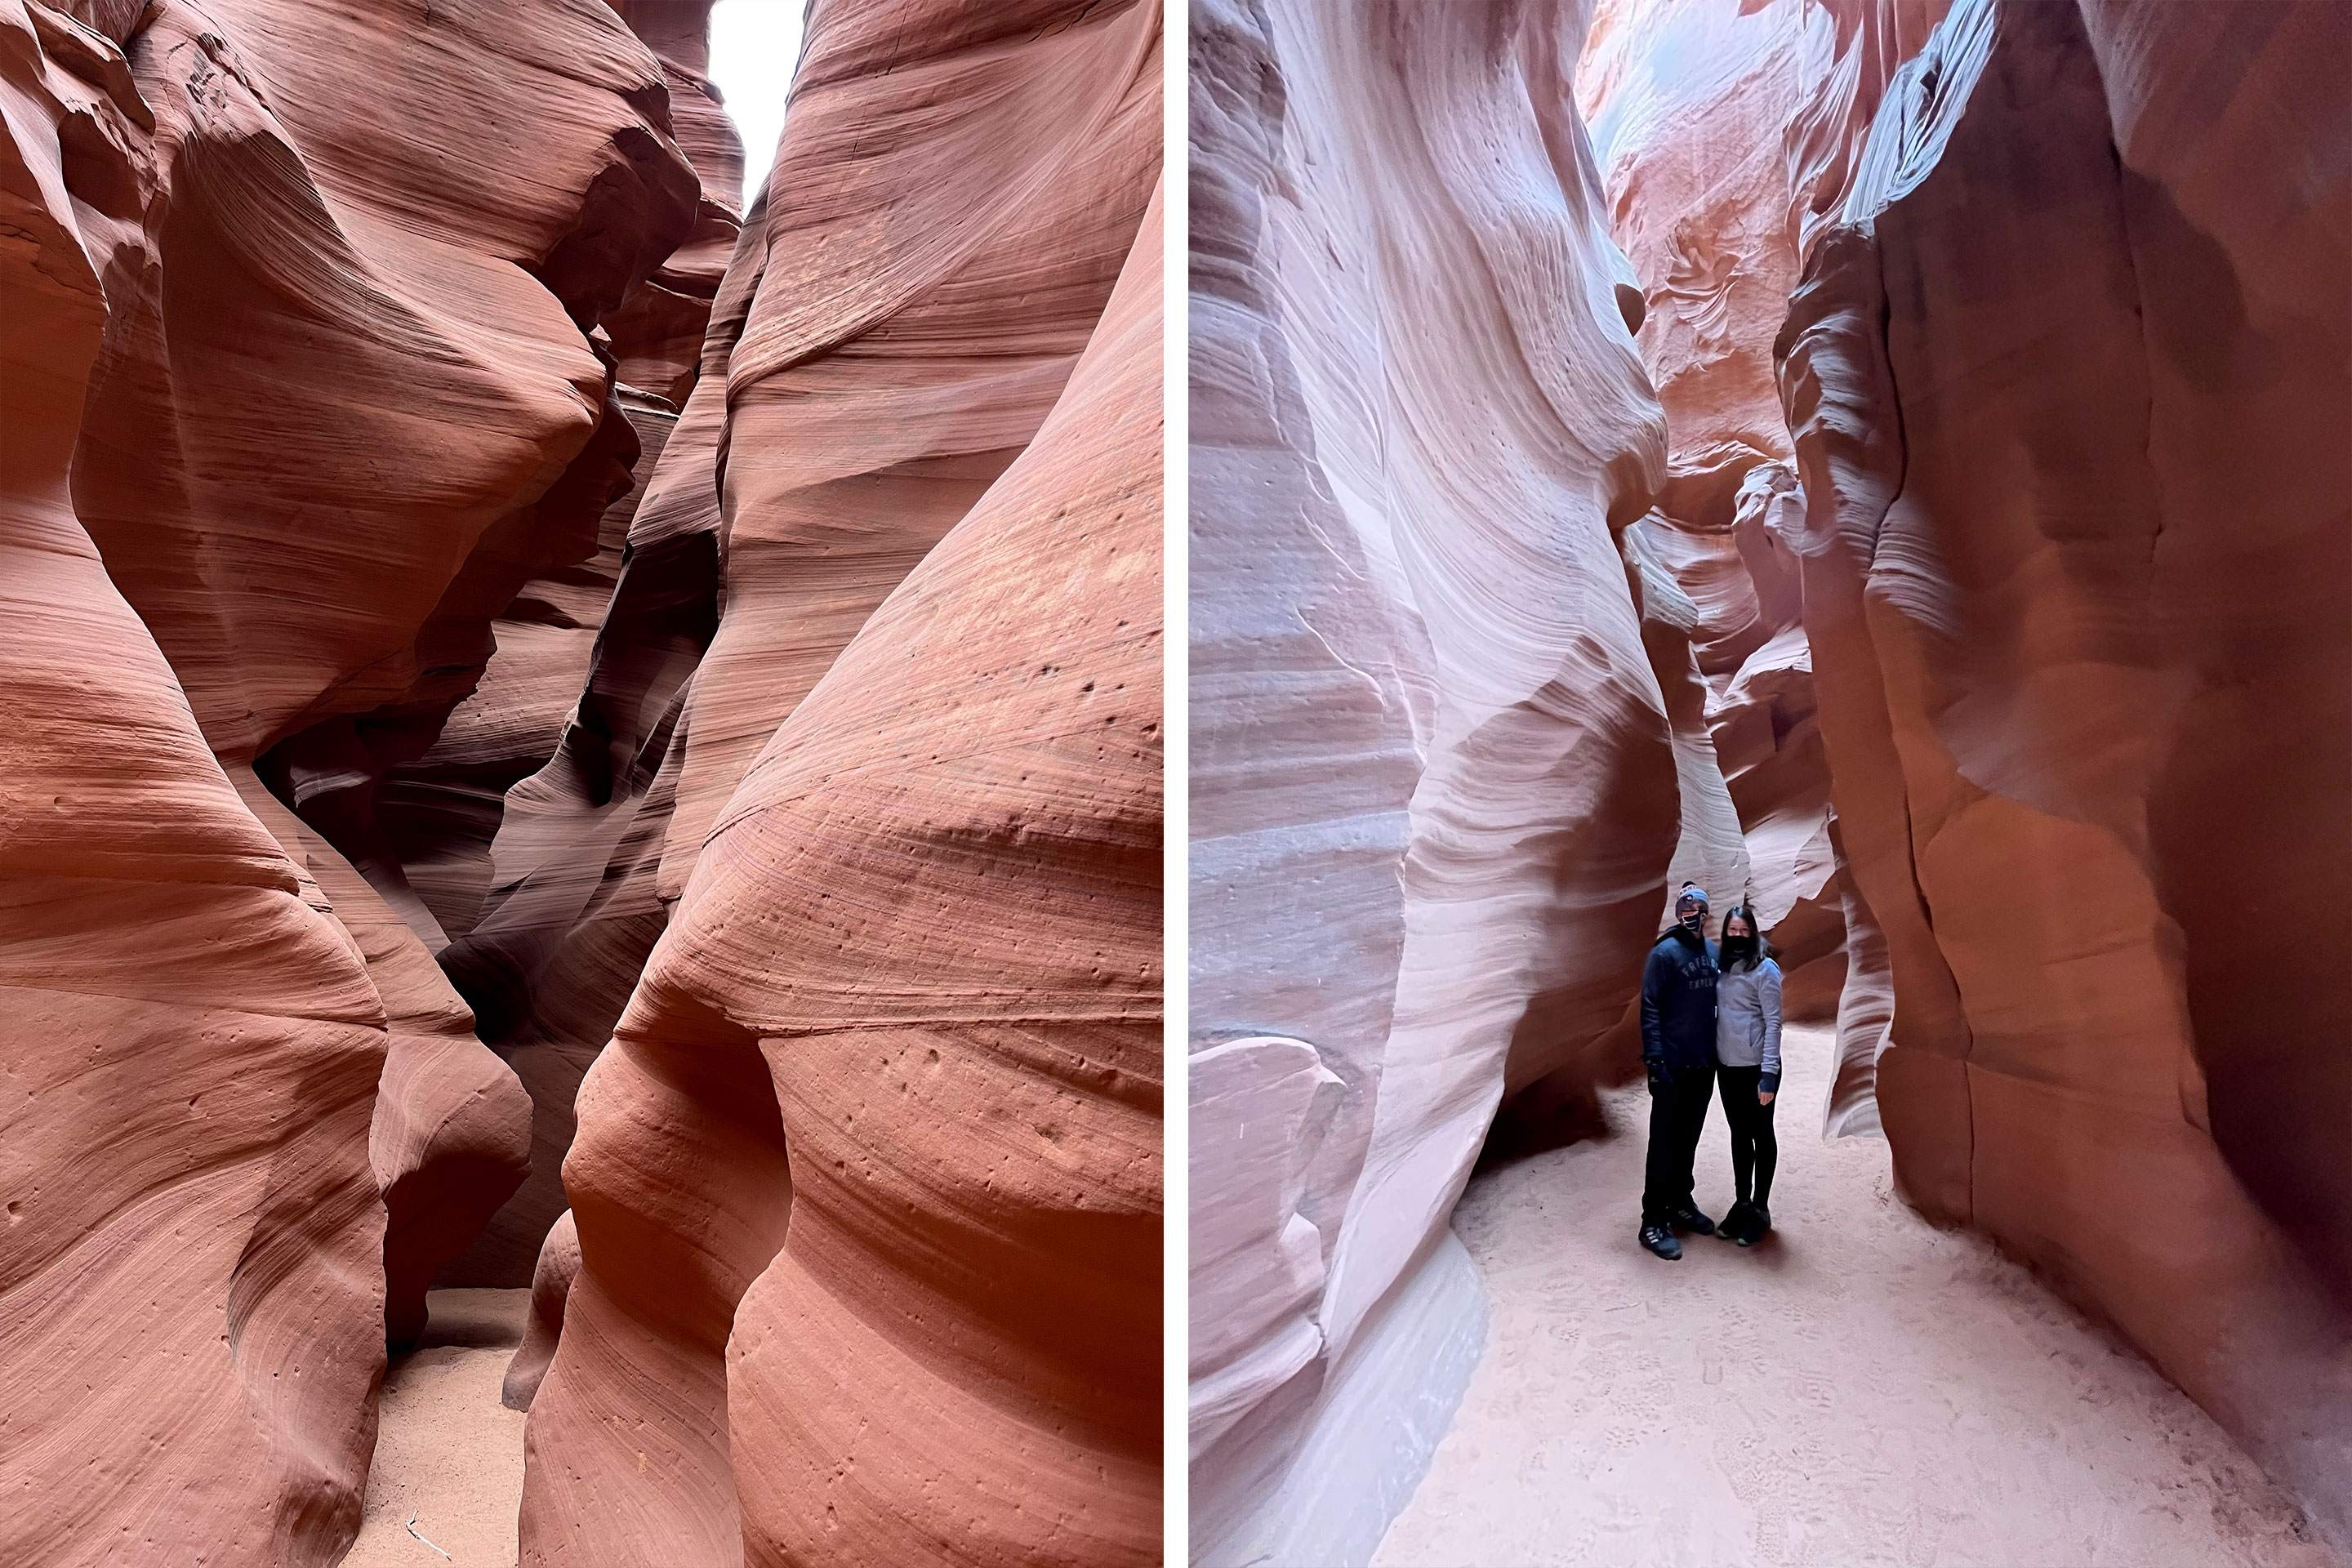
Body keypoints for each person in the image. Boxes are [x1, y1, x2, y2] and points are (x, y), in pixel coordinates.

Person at [1637, 883, 1719, 1260]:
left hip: (1704, 1065)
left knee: (1688, 1139)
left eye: (1700, 908)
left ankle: (1680, 1203)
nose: (1694, 914)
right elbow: (1650, 1007)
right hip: (1672, 1066)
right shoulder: (1663, 954)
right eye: (1688, 908)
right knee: (1664, 1145)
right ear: (1678, 912)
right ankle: (1653, 1221)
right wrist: (1655, 1064)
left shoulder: (1714, 953)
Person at [1713, 904, 1781, 1246]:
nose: (1737, 936)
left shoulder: (1765, 969)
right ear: (1725, 933)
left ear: (1753, 932)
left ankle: (1761, 1208)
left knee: (1761, 1134)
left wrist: (1768, 1075)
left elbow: (1773, 1023)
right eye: (1732, 930)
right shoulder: (1722, 968)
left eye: (1743, 930)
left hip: (1757, 1068)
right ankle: (1742, 1203)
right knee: (1739, 1135)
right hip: (1728, 1067)